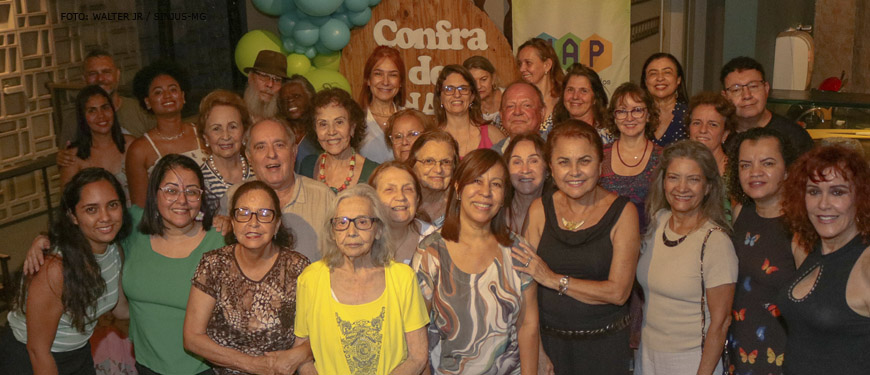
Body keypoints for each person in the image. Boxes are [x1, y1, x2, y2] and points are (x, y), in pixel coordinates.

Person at [522, 120, 639, 374]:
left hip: (604, 349)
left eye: (584, 161)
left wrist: (554, 280)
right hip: (549, 347)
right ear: (551, 168)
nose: (574, 171)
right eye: (564, 162)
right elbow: (525, 289)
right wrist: (537, 351)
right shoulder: (539, 210)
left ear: (600, 166)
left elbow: (619, 292)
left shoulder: (623, 213)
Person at [413, 148, 539, 374]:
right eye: (476, 181)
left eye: (496, 184)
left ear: (504, 197)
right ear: (458, 188)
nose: (486, 192)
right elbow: (417, 332)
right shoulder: (430, 252)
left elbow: (528, 326)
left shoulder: (518, 250)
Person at [1, 168, 131, 375]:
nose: (105, 217)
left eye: (112, 205)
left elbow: (121, 309)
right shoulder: (55, 269)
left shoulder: (114, 251)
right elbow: (38, 350)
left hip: (77, 352)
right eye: (91, 209)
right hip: (30, 360)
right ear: (73, 216)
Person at [294, 184, 429, 374]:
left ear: (379, 230)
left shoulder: (402, 278)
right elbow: (301, 354)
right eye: (342, 222)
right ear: (332, 232)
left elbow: (418, 357)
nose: (351, 232)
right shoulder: (310, 279)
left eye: (363, 222)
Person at [183, 181, 311, 374]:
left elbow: (313, 336)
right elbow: (192, 337)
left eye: (265, 214)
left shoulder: (298, 268)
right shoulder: (214, 265)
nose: (253, 222)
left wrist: (298, 355)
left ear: (277, 224)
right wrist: (253, 365)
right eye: (243, 213)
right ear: (233, 223)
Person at [637, 140, 737, 375]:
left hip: (691, 361)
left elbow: (720, 323)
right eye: (673, 177)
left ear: (708, 187)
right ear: (663, 182)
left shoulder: (715, 242)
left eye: (693, 179)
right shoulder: (658, 221)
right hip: (647, 353)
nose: (681, 187)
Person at [120, 154, 224, 375]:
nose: (182, 200)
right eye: (171, 190)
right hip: (146, 366)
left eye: (192, 191)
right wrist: (46, 241)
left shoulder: (220, 240)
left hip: (204, 369)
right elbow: (86, 231)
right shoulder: (132, 228)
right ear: (154, 193)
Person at [778, 145, 870, 374]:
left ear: (861, 197)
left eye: (838, 192)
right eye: (814, 191)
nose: (823, 204)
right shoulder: (812, 250)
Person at [725, 128, 798, 375]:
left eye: (767, 163)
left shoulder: (801, 228)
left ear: (788, 170)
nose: (755, 172)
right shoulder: (739, 214)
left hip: (783, 356)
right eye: (745, 165)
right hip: (739, 350)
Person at [227, 118, 336, 262]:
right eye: (261, 147)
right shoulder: (232, 198)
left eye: (279, 145)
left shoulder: (323, 197)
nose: (271, 154)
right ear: (249, 157)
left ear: (294, 152)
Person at [126, 60, 204, 207]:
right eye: (158, 92)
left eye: (173, 90)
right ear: (148, 102)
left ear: (183, 96)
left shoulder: (202, 134)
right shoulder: (139, 150)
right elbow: (140, 208)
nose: (167, 96)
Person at [58, 49, 155, 145]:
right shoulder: (73, 119)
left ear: (117, 75)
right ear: (84, 79)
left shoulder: (142, 110)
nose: (100, 78)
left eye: (106, 72)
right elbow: (67, 156)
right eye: (93, 74)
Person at [601, 82, 663, 233]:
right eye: (622, 111)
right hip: (605, 241)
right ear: (614, 117)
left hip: (650, 241)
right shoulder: (600, 156)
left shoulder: (663, 157)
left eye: (637, 110)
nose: (629, 117)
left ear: (648, 115)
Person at [720, 56, 814, 155]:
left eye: (753, 86)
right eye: (736, 90)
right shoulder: (718, 134)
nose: (747, 95)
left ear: (766, 89)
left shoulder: (794, 137)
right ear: (725, 96)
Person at [299, 88, 379, 192]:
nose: (331, 132)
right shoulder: (307, 166)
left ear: (352, 127)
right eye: (323, 124)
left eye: (339, 122)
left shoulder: (374, 172)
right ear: (315, 129)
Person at [59, 86, 136, 193]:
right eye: (92, 111)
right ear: (83, 117)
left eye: (105, 108)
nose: (101, 116)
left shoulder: (131, 145)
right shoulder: (73, 157)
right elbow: (67, 203)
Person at [368, 161, 435, 264]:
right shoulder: (362, 240)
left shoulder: (436, 241)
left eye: (408, 189)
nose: (401, 197)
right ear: (373, 199)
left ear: (417, 199)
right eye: (389, 190)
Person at [434, 64, 504, 157]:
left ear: (472, 96)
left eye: (463, 89)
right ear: (440, 97)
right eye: (449, 89)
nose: (457, 94)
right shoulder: (431, 139)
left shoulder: (492, 135)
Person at [197, 89, 254, 201]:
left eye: (232, 127)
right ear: (205, 137)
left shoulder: (259, 170)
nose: (226, 136)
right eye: (216, 129)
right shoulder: (198, 181)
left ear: (244, 131)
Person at [358, 45, 406, 163]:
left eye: (393, 75)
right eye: (378, 74)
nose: (385, 82)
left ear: (400, 82)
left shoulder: (409, 120)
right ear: (368, 80)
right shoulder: (356, 120)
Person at [406, 130, 459, 227]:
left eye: (446, 162)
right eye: (429, 161)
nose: (438, 170)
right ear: (412, 165)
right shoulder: (402, 204)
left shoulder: (463, 208)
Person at [553, 63, 612, 144]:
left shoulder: (603, 138)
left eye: (583, 91)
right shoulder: (553, 131)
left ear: (595, 98)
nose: (575, 96)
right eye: (570, 89)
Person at [641, 53, 689, 147]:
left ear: (678, 79)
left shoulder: (690, 115)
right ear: (646, 81)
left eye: (667, 72)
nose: (660, 78)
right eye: (653, 73)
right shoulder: (636, 114)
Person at [517, 38, 564, 134]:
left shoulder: (566, 101)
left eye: (528, 63)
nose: (522, 69)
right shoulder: (515, 99)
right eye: (520, 64)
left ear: (547, 65)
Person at [504, 133, 547, 233]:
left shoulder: (558, 214)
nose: (525, 170)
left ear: (548, 169)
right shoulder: (496, 214)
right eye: (517, 162)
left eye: (533, 161)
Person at [687, 92, 737, 177]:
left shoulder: (736, 173)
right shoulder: (678, 167)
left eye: (713, 124)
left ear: (725, 134)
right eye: (697, 123)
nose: (703, 130)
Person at [276, 75, 319, 172]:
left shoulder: (322, 131)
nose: (290, 101)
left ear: (310, 97)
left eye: (296, 96)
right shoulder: (278, 134)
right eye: (284, 100)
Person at [492, 81, 546, 153]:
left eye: (526, 105)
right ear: (501, 115)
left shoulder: (555, 149)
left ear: (542, 112)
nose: (517, 112)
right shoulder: (493, 157)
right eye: (510, 106)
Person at [244, 50, 286, 120]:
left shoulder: (284, 123)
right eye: (264, 76)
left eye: (277, 80)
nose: (270, 84)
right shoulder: (235, 114)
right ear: (250, 78)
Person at [463, 55, 503, 122]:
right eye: (473, 81)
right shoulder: (465, 105)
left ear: (493, 78)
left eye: (483, 79)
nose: (478, 86)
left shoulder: (509, 96)